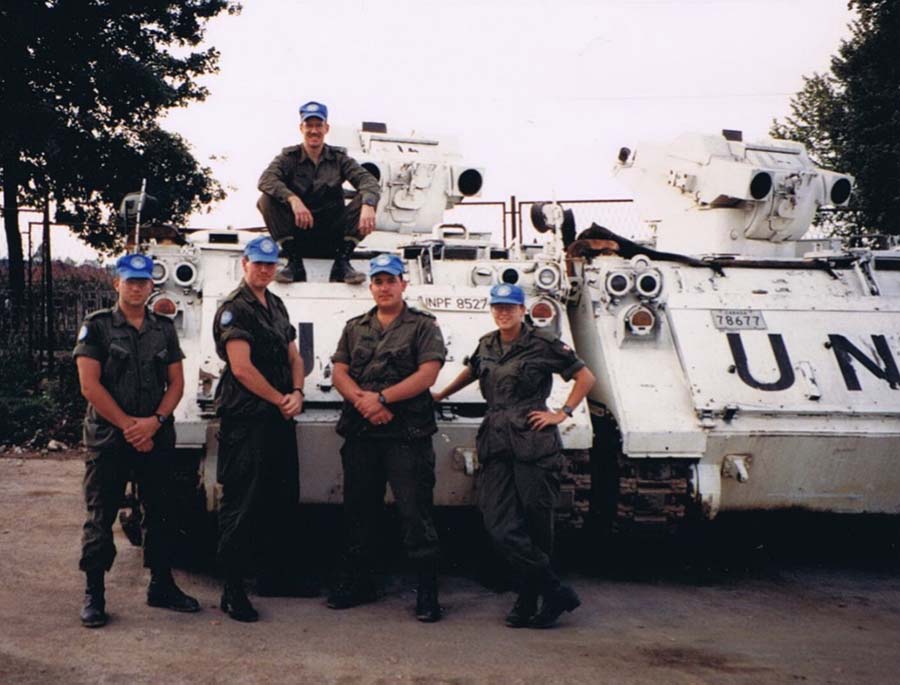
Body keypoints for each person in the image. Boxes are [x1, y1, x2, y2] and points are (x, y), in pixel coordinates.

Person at [433, 283, 596, 629]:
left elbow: (586, 376)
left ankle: (528, 601)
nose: (503, 312)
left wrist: (562, 413)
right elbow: (474, 370)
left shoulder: (543, 343)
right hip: (496, 438)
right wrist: (441, 394)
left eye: (510, 307)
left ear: (522, 310)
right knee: (498, 523)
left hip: (533, 439)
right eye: (498, 306)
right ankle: (555, 591)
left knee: (537, 524)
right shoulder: (488, 343)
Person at [73, 253, 200, 628]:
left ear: (150, 287)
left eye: (143, 282)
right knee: (101, 516)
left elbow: (176, 382)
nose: (137, 287)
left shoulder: (163, 328)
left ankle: (161, 585)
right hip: (110, 438)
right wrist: (131, 426)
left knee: (162, 512)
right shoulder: (96, 327)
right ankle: (94, 594)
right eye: (130, 281)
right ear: (117, 284)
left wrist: (155, 422)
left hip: (155, 436)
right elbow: (89, 385)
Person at [328, 253, 446, 622]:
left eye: (390, 280)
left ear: (403, 284)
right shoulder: (355, 326)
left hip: (405, 433)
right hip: (363, 431)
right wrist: (364, 402)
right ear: (371, 286)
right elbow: (340, 371)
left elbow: (428, 374)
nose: (384, 287)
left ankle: (427, 593)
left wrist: (380, 399)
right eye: (378, 281)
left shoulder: (423, 326)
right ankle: (360, 582)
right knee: (359, 511)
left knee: (415, 514)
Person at [212, 235, 312, 623]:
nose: (264, 270)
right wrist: (280, 398)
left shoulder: (276, 304)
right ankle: (232, 589)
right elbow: (241, 368)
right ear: (245, 264)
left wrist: (298, 391)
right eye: (258, 263)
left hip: (279, 414)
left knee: (281, 499)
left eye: (270, 264)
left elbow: (294, 356)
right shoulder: (235, 310)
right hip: (248, 417)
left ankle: (278, 576)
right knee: (242, 502)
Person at [257, 100, 381, 285]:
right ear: (301, 128)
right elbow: (266, 180)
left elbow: (368, 181)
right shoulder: (288, 158)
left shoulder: (339, 159)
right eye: (309, 125)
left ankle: (342, 263)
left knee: (368, 197)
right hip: (298, 232)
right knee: (266, 199)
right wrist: (293, 199)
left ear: (326, 128)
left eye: (318, 125)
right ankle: (294, 263)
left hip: (333, 233)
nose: (314, 131)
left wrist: (368, 205)